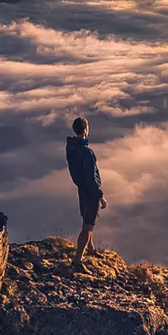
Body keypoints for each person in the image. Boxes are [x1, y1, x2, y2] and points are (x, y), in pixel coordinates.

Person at [65, 116, 106, 270]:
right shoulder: (86, 152)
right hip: (89, 191)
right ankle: (78, 260)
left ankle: (90, 249)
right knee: (88, 225)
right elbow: (90, 176)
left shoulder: (71, 148)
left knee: (87, 220)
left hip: (81, 188)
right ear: (86, 129)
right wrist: (100, 195)